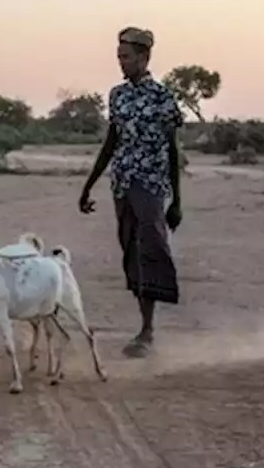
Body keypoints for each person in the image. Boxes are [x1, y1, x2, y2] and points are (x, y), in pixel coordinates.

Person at [77, 27, 184, 358]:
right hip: (121, 183)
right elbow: (111, 142)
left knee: (151, 247)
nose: (122, 63)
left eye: (127, 57)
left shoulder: (162, 98)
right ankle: (143, 328)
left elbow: (173, 149)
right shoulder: (117, 96)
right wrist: (89, 184)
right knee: (131, 252)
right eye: (119, 57)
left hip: (151, 184)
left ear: (144, 57)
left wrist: (177, 200)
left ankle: (148, 330)